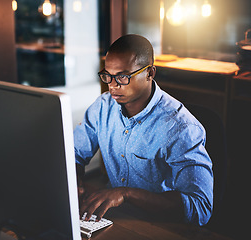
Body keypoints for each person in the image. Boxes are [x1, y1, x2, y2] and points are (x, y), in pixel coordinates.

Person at [74, 34, 213, 226]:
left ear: (150, 73)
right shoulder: (103, 107)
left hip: (159, 225)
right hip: (113, 217)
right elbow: (73, 153)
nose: (112, 85)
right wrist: (76, 183)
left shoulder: (182, 128)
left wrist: (126, 193)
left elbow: (200, 208)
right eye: (107, 75)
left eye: (123, 76)